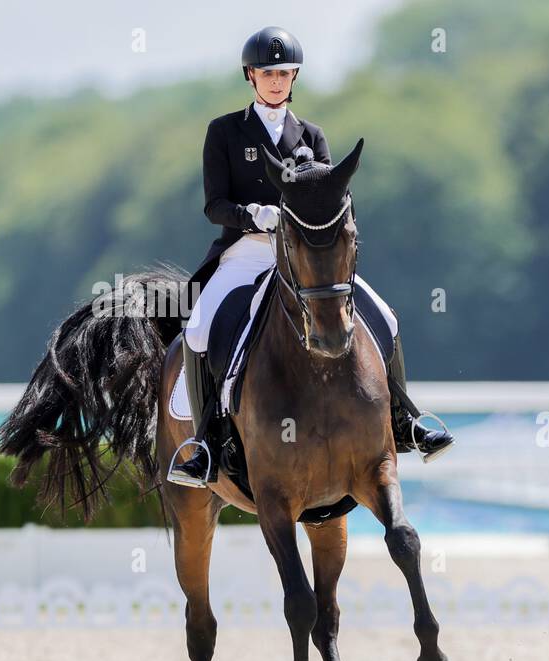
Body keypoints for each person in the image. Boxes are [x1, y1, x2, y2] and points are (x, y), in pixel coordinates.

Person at [169, 26, 453, 488]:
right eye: (267, 73)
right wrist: (250, 214)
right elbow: (212, 204)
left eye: (283, 73)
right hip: (247, 251)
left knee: (386, 316)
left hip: (306, 258)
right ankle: (205, 442)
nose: (276, 81)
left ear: (293, 76)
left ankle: (406, 420)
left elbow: (332, 195)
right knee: (199, 326)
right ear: (251, 76)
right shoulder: (223, 132)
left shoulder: (312, 135)